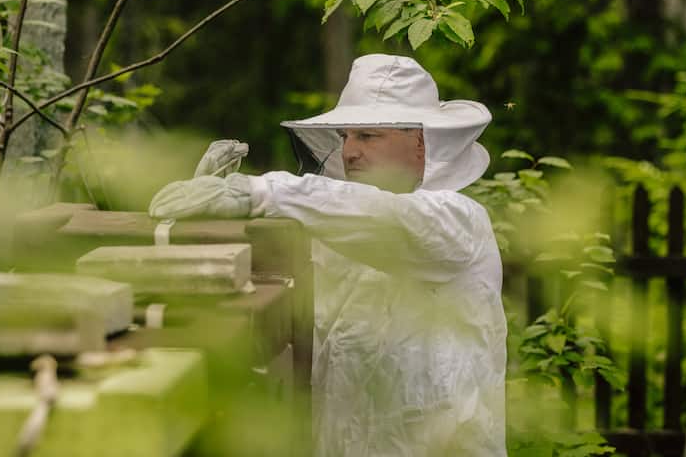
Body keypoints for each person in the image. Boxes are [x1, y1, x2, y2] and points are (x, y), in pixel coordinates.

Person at [149, 53, 507, 457]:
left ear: (422, 141)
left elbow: (385, 220)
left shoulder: (458, 221)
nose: (349, 152)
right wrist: (208, 219)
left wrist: (261, 192)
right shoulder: (336, 227)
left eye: (368, 137)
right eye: (345, 137)